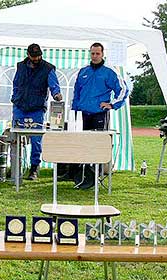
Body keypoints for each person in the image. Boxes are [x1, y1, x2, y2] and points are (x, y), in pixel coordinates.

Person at [64, 42, 128, 189]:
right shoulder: (83, 71)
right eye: (92, 53)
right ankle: (78, 174)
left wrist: (112, 104)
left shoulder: (109, 72)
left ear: (102, 54)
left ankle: (96, 174)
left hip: (99, 115)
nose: (95, 56)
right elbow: (77, 93)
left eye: (97, 53)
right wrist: (74, 111)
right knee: (80, 144)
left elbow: (123, 90)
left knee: (97, 146)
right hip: (82, 115)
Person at [11, 43, 62, 180]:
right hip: (19, 106)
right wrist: (14, 97)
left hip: (37, 109)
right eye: (34, 56)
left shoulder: (48, 68)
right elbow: (16, 83)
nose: (36, 58)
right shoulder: (20, 66)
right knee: (15, 137)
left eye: (38, 55)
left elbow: (54, 85)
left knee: (36, 140)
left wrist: (56, 94)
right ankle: (15, 167)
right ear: (28, 55)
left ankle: (34, 168)